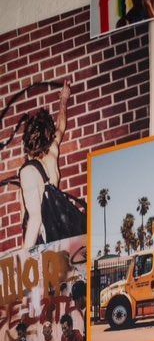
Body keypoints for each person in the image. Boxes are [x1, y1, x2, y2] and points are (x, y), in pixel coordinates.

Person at [19, 81, 87, 249]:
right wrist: (63, 100)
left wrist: (22, 259)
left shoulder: (29, 171)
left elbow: (34, 221)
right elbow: (61, 126)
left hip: (47, 246)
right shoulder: (53, 151)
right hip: (65, 239)